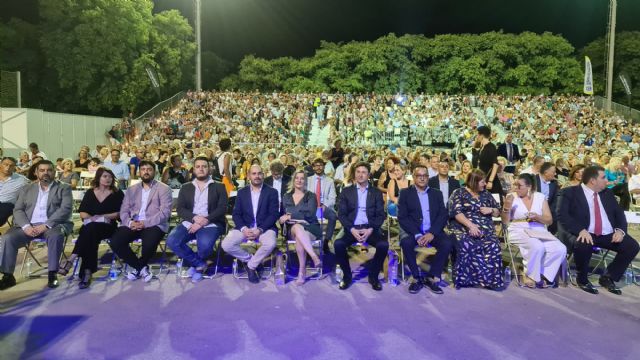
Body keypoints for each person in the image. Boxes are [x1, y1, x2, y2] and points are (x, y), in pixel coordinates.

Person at [557, 165, 639, 295]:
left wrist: (620, 231)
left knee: (632, 246)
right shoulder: (569, 193)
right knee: (584, 243)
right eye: (603, 177)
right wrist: (580, 230)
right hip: (583, 232)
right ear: (592, 181)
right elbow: (562, 215)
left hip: (606, 233)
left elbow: (619, 214)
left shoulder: (607, 193)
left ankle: (608, 277)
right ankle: (582, 279)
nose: (607, 181)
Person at [0, 160, 73, 290]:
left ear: (54, 172)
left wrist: (46, 225)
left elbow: (65, 209)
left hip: (53, 225)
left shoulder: (64, 188)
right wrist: (26, 226)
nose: (46, 173)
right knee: (8, 237)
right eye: (42, 170)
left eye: (49, 170)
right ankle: (8, 276)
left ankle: (52, 274)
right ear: (36, 172)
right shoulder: (26, 189)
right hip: (29, 226)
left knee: (56, 236)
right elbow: (18, 210)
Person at [109, 161, 172, 282]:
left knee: (149, 243)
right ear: (139, 172)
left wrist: (145, 223)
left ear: (155, 172)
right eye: (143, 169)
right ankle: (141, 267)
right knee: (116, 242)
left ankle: (137, 268)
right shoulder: (132, 189)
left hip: (154, 224)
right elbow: (123, 211)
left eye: (149, 169)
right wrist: (129, 223)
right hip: (133, 223)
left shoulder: (164, 189)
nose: (146, 172)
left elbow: (165, 213)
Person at [167, 157, 227, 283]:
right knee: (172, 241)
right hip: (190, 221)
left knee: (204, 246)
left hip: (211, 223)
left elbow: (222, 208)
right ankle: (199, 264)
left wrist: (205, 220)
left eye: (204, 166)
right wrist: (195, 218)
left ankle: (196, 267)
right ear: (193, 169)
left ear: (209, 169)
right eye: (198, 166)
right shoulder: (185, 187)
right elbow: (180, 209)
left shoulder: (219, 186)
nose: (201, 169)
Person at [62, 167, 124, 289]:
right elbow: (83, 213)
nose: (108, 179)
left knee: (88, 231)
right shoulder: (90, 192)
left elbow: (120, 213)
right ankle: (87, 272)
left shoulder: (117, 193)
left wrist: (101, 216)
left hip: (108, 227)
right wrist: (92, 219)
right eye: (105, 176)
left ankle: (73, 259)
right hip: (91, 228)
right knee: (91, 232)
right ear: (98, 178)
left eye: (110, 177)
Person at [502, 174, 567, 288]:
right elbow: (505, 221)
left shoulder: (540, 197)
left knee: (560, 248)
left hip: (538, 229)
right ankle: (530, 275)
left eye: (519, 185)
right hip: (518, 228)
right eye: (515, 184)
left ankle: (542, 274)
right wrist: (507, 208)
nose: (516, 187)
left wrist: (538, 217)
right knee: (537, 246)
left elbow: (549, 220)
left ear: (529, 187)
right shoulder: (511, 196)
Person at [398, 165, 453, 294]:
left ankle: (431, 276)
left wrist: (432, 233)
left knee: (447, 244)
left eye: (425, 176)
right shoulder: (405, 193)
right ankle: (417, 278)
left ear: (428, 177)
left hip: (432, 230)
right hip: (413, 231)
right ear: (414, 177)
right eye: (419, 176)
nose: (422, 178)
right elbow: (403, 217)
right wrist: (417, 234)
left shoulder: (436, 193)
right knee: (406, 243)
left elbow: (443, 215)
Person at [334, 162, 388, 291]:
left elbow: (381, 215)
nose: (360, 175)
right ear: (354, 174)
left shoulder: (375, 192)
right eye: (358, 172)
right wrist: (351, 229)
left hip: (370, 228)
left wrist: (370, 229)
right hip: (351, 227)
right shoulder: (347, 192)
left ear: (369, 175)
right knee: (338, 244)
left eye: (364, 172)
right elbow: (341, 214)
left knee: (383, 245)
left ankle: (373, 276)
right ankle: (347, 277)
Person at [221, 164, 279, 284]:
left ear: (263, 175)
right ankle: (251, 260)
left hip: (265, 227)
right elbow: (236, 214)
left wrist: (260, 229)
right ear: (248, 176)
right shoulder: (242, 192)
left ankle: (251, 267)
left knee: (271, 243)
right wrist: (243, 229)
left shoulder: (272, 192)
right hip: (245, 227)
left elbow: (273, 214)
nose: (257, 176)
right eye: (254, 173)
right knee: (226, 244)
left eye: (259, 173)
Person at [448, 169, 504, 290]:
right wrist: (471, 225)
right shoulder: (459, 193)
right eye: (482, 182)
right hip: (463, 227)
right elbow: (456, 213)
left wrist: (491, 210)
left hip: (486, 230)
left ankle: (489, 281)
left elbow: (498, 211)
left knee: (493, 245)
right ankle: (465, 280)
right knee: (466, 242)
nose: (485, 184)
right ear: (474, 182)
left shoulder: (486, 194)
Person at [280, 170, 322, 285]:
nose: (299, 180)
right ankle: (313, 256)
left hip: (311, 227)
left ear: (305, 181)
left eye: (302, 178)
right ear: (293, 181)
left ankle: (301, 271)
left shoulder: (311, 196)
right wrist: (296, 215)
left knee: (299, 236)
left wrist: (291, 215)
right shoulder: (286, 196)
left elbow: (310, 214)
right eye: (297, 178)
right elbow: (283, 215)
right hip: (291, 229)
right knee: (297, 227)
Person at [306, 158, 338, 243]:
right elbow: (305, 196)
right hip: (311, 207)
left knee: (333, 216)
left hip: (324, 206)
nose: (319, 167)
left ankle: (327, 240)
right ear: (313, 167)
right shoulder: (308, 180)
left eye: (321, 165)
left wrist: (324, 205)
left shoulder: (330, 181)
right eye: (316, 165)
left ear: (324, 167)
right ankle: (309, 238)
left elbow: (332, 198)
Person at [472, 126, 502, 198]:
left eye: (477, 135)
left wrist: (490, 181)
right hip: (480, 180)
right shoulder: (481, 148)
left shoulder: (491, 147)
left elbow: (495, 164)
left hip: (489, 181)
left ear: (482, 135)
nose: (476, 137)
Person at [0, 157, 29, 228]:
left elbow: (34, 184)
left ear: (14, 167)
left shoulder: (21, 180)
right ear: (0, 164)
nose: (8, 167)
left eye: (11, 166)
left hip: (6, 204)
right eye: (5, 164)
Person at [535, 162, 560, 233]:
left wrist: (549, 213)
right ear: (546, 172)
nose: (555, 174)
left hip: (548, 211)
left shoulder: (554, 183)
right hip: (533, 211)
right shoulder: (533, 180)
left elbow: (555, 201)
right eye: (553, 172)